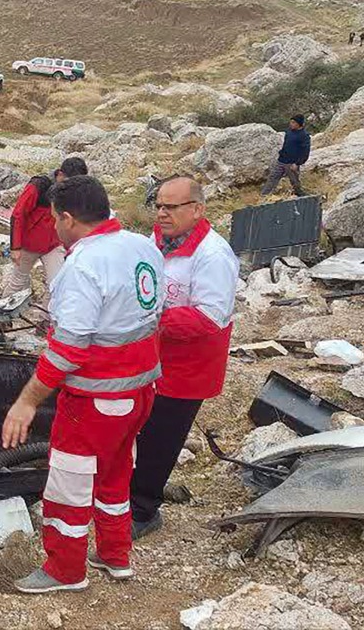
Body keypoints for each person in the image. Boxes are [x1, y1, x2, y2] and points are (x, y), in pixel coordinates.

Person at [0, 176, 164, 594]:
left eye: (55, 219)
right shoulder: (142, 245)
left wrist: (26, 402)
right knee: (114, 474)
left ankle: (65, 571)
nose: (54, 226)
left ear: (69, 219)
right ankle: (115, 554)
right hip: (141, 391)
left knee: (68, 485)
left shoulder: (82, 266)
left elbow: (68, 349)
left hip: (96, 398)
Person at [130, 177, 238, 538]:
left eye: (171, 207)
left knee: (163, 435)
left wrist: (154, 321)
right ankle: (123, 492)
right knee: (136, 427)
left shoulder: (213, 254)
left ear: (196, 209)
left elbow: (211, 316)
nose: (161, 213)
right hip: (150, 357)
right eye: (158, 206)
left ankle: (143, 509)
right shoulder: (156, 242)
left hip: (188, 367)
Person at [4, 157, 89, 296]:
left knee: (58, 285)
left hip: (54, 245)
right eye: (70, 182)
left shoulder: (76, 189)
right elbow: (18, 215)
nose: (72, 187)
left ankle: (48, 316)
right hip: (29, 245)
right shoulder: (38, 185)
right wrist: (15, 247)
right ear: (60, 174)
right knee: (17, 283)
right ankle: (3, 315)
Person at [261, 115, 311, 197]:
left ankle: (301, 196)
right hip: (281, 160)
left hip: (292, 163)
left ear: (299, 124)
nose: (291, 124)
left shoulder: (304, 136)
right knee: (272, 177)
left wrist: (297, 163)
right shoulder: (289, 132)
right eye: (291, 122)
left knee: (295, 182)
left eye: (293, 122)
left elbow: (305, 151)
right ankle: (264, 195)